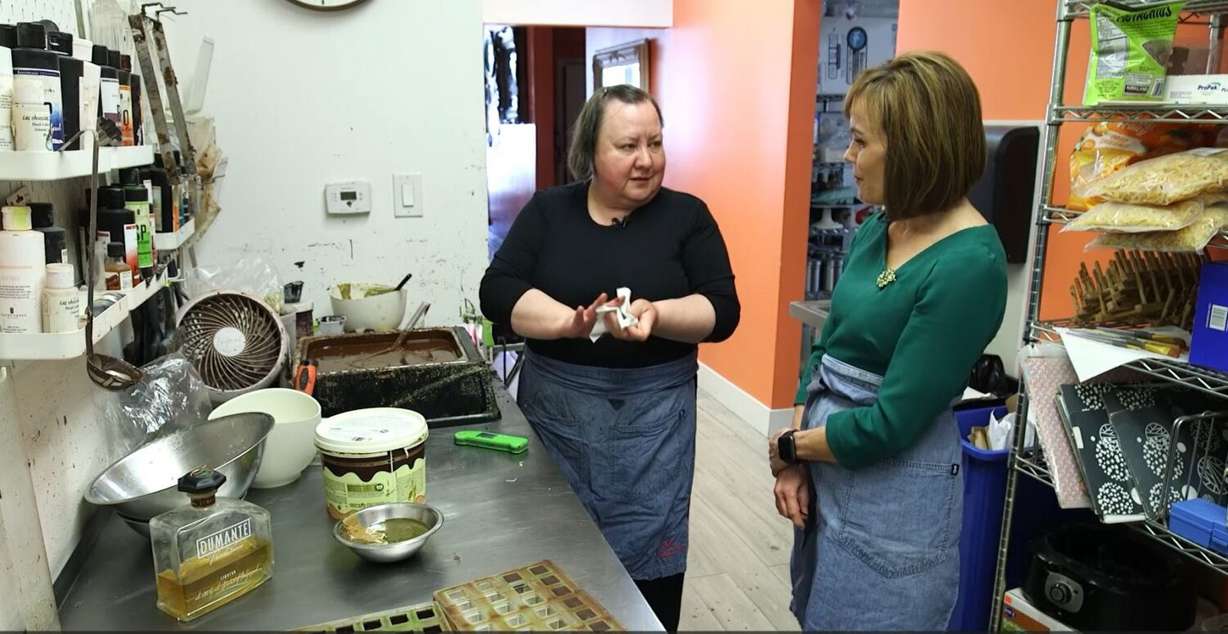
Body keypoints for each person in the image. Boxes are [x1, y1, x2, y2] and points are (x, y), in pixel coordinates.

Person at [479, 84, 740, 631]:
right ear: (590, 154)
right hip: (559, 421)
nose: (646, 160)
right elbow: (498, 290)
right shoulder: (551, 211)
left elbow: (723, 310)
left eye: (656, 143)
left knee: (648, 583)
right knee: (554, 572)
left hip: (656, 433)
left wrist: (657, 314)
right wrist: (570, 323)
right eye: (627, 146)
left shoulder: (688, 217)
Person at [767, 51, 1007, 630]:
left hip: (894, 493)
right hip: (831, 462)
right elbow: (829, 348)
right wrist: (798, 459)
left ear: (914, 148)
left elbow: (891, 424)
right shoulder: (880, 226)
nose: (847, 156)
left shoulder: (970, 264)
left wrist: (791, 449)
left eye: (859, 142)